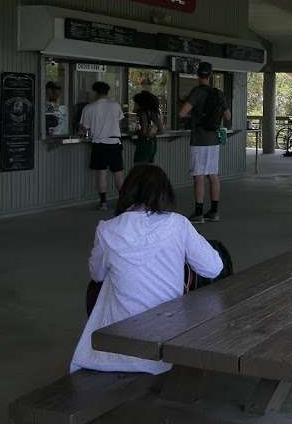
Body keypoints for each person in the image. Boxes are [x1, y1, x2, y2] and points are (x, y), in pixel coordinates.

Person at [70, 164, 223, 375]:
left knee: (104, 285)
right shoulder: (178, 224)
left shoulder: (107, 229)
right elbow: (213, 268)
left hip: (117, 344)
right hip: (168, 339)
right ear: (164, 193)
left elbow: (96, 275)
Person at [178, 62, 231, 223]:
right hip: (214, 139)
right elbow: (228, 116)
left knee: (198, 176)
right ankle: (214, 212)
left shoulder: (197, 92)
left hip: (199, 139)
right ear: (211, 75)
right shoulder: (219, 94)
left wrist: (194, 116)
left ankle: (199, 213)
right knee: (213, 175)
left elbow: (182, 113)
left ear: (197, 75)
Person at [79, 81, 125, 211]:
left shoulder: (88, 108)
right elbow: (120, 122)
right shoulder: (116, 106)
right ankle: (123, 200)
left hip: (99, 144)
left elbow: (83, 128)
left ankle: (103, 202)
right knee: (118, 173)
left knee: (102, 173)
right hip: (115, 143)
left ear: (95, 92)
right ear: (107, 92)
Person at [132, 90, 163, 164]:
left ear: (140, 103)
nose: (135, 105)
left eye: (136, 103)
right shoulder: (153, 113)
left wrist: (135, 133)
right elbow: (161, 130)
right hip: (153, 143)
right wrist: (152, 133)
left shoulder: (142, 113)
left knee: (139, 167)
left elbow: (144, 131)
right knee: (148, 168)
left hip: (144, 145)